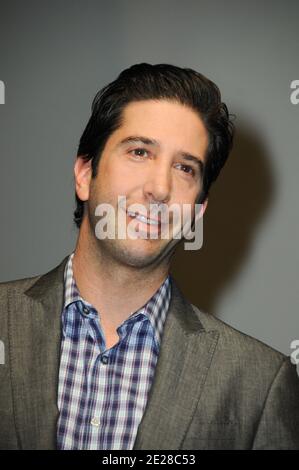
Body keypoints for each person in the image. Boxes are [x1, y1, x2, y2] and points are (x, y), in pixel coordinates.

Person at [0, 63, 298, 450]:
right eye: (140, 151)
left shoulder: (260, 384)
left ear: (198, 210)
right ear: (84, 173)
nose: (159, 188)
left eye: (185, 167)